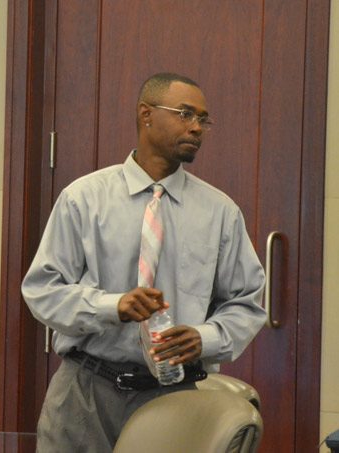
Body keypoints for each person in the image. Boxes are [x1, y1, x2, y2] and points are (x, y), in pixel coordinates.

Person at [21, 72, 267, 452]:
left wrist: (204, 338)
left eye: (203, 119)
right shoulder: (84, 199)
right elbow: (42, 291)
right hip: (85, 393)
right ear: (146, 114)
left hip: (174, 396)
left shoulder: (220, 213)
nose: (197, 128)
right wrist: (112, 306)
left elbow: (247, 303)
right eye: (185, 114)